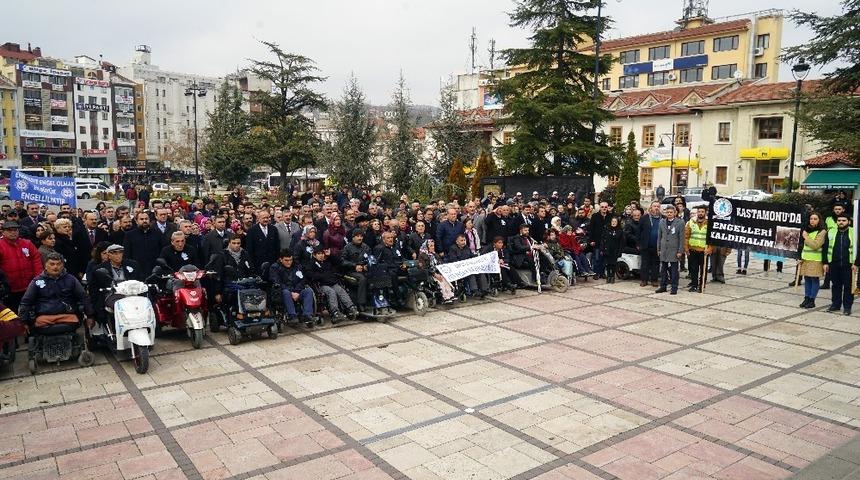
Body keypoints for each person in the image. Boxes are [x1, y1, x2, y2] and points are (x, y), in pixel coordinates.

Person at [18, 253, 93, 328]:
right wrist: (23, 322)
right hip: (44, 316)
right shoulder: (37, 281)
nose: (55, 267)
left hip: (68, 315)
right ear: (45, 266)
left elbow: (84, 297)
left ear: (63, 265)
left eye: (58, 264)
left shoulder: (71, 280)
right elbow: (26, 302)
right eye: (52, 264)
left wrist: (90, 316)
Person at [0, 221, 43, 312]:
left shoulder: (27, 243)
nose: (13, 232)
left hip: (29, 287)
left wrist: (37, 279)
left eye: (15, 230)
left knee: (30, 311)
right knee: (13, 314)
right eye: (9, 230)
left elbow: (36, 261)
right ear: (3, 232)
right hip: (10, 290)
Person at [307, 246, 357, 323]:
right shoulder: (311, 263)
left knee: (340, 290)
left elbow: (339, 262)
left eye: (322, 253)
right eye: (319, 254)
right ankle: (335, 312)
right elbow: (309, 274)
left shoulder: (327, 261)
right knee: (331, 292)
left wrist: (330, 255)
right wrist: (322, 276)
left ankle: (351, 307)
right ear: (314, 255)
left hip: (332, 282)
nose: (321, 255)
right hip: (321, 285)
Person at [267, 250, 315, 326]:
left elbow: (302, 280)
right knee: (286, 292)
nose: (289, 262)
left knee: (308, 291)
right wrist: (291, 292)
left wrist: (297, 292)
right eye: (286, 260)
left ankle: (307, 315)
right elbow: (277, 282)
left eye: (290, 260)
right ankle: (292, 315)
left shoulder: (297, 266)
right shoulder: (275, 268)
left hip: (296, 291)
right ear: (281, 259)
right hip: (282, 292)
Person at [823, 213, 858, 315]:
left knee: (848, 286)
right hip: (834, 264)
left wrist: (856, 263)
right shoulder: (831, 232)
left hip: (849, 265)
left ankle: (847, 307)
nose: (841, 222)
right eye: (839, 220)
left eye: (843, 220)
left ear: (849, 222)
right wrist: (825, 262)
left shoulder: (853, 232)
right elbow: (825, 248)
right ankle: (835, 304)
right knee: (835, 285)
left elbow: (858, 248)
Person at [798, 212, 826, 309]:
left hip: (816, 259)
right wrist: (799, 257)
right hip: (806, 259)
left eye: (815, 219)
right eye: (811, 219)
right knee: (807, 279)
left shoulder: (822, 231)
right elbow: (801, 245)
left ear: (819, 220)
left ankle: (812, 299)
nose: (812, 221)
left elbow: (815, 245)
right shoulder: (807, 230)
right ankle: (806, 297)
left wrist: (806, 237)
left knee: (814, 279)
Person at [656, 205, 684, 295]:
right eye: (667, 212)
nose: (669, 214)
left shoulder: (680, 223)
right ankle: (663, 286)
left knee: (674, 270)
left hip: (674, 250)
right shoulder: (662, 222)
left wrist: (680, 251)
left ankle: (674, 287)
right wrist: (659, 249)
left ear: (675, 213)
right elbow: (659, 237)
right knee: (663, 269)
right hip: (664, 249)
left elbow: (681, 238)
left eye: (671, 212)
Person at [341, 229, 371, 311]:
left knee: (376, 275)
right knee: (362, 279)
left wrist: (366, 266)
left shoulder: (366, 247)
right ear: (353, 237)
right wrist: (354, 266)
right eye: (357, 236)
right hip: (351, 271)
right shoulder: (347, 247)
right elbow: (343, 261)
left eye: (361, 236)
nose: (360, 238)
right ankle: (361, 303)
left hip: (364, 269)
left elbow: (370, 258)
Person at [685, 206, 710, 292]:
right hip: (693, 250)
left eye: (702, 212)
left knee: (703, 270)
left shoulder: (709, 223)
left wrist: (710, 249)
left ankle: (702, 285)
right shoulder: (691, 222)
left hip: (704, 251)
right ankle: (694, 285)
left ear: (705, 213)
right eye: (699, 211)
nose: (700, 213)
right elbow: (686, 236)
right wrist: (686, 248)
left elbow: (712, 239)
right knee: (693, 269)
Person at [639, 201, 662, 287]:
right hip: (646, 245)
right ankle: (644, 280)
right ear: (651, 207)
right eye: (654, 206)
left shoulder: (663, 218)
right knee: (645, 263)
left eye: (658, 206)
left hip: (657, 246)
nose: (656, 208)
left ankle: (654, 280)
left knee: (655, 264)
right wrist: (639, 243)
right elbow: (639, 231)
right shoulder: (644, 218)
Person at [602, 216, 623, 283]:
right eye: (612, 221)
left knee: (613, 264)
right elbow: (603, 239)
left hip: (615, 250)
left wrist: (620, 251)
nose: (613, 223)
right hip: (607, 249)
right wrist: (603, 248)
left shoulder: (620, 231)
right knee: (608, 264)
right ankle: (608, 276)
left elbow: (621, 242)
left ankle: (612, 276)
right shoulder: (607, 229)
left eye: (615, 222)